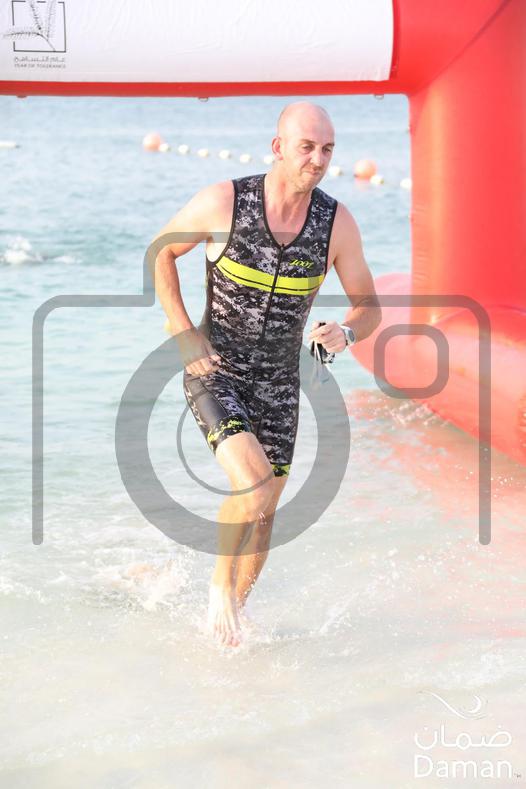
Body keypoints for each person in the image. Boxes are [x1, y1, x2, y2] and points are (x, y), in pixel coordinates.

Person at [151, 101, 382, 647]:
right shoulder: (226, 202)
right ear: (278, 147)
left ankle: (234, 623)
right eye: (307, 147)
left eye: (327, 149)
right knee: (253, 484)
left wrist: (347, 333)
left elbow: (369, 306)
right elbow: (161, 253)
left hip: (280, 383)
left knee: (265, 511)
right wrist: (182, 330)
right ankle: (217, 594)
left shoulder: (335, 223)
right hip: (216, 369)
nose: (318, 159)